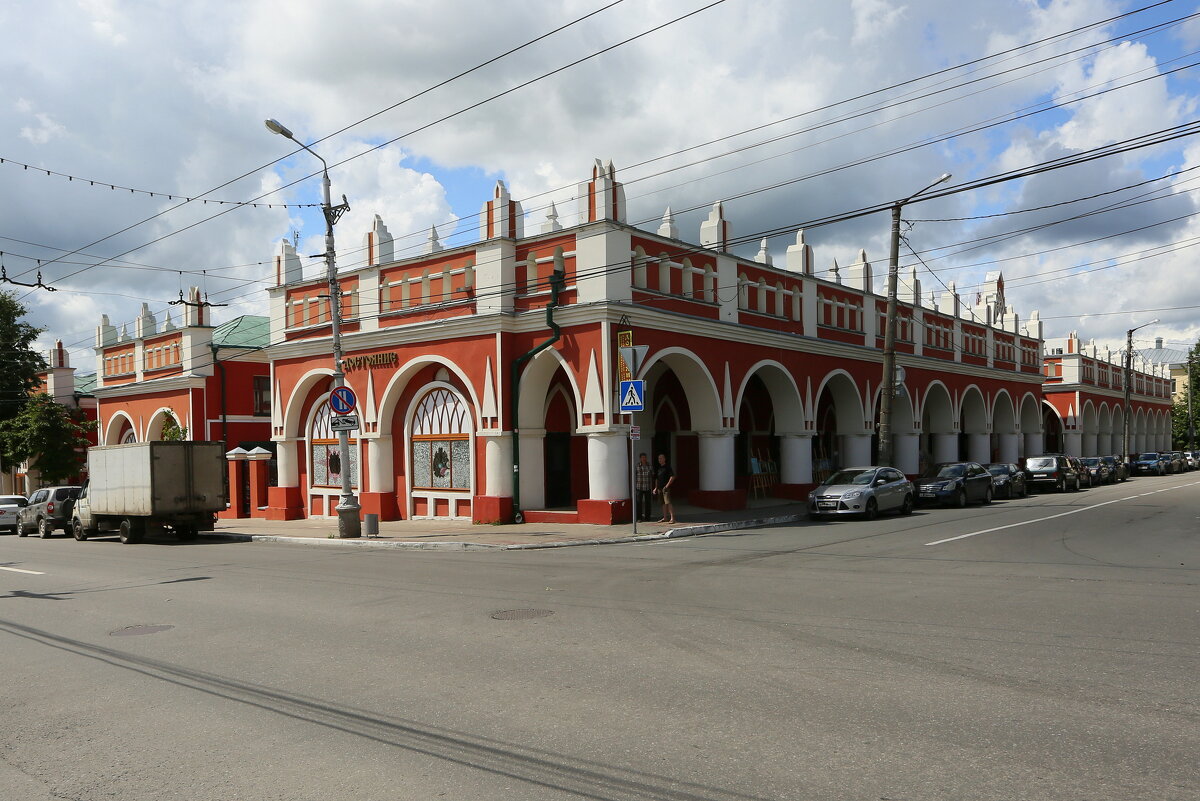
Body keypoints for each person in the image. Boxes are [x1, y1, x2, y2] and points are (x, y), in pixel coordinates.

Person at [652, 452, 676, 524]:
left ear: (664, 459)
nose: (660, 459)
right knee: (662, 503)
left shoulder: (668, 467)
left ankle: (672, 518)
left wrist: (667, 486)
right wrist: (655, 488)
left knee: (668, 502)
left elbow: (672, 476)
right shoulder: (658, 468)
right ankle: (665, 517)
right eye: (659, 458)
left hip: (665, 488)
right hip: (659, 488)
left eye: (661, 458)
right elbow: (656, 479)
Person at [634, 452, 654, 522]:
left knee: (648, 503)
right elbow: (634, 476)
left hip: (647, 487)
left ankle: (647, 517)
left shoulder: (649, 466)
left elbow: (652, 475)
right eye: (642, 457)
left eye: (645, 457)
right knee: (639, 503)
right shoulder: (637, 466)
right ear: (640, 459)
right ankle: (639, 518)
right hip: (639, 487)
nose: (644, 459)